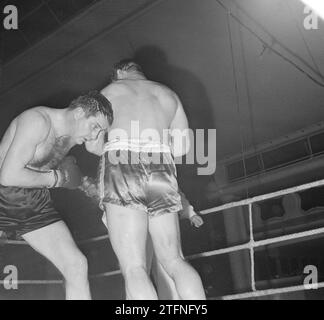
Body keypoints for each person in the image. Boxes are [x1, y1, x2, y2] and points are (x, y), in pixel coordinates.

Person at [96, 59, 206, 300]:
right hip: (160, 164)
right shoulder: (169, 95)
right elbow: (183, 147)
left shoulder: (108, 92)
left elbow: (93, 144)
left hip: (121, 160)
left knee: (134, 267)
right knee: (174, 260)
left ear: (119, 73)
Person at [0, 91, 113, 300]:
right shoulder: (37, 121)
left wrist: (84, 183)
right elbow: (7, 175)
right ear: (79, 112)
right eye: (95, 126)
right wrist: (58, 179)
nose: (94, 135)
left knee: (76, 265)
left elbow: (47, 162)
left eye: (100, 131)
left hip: (33, 203)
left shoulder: (71, 137)